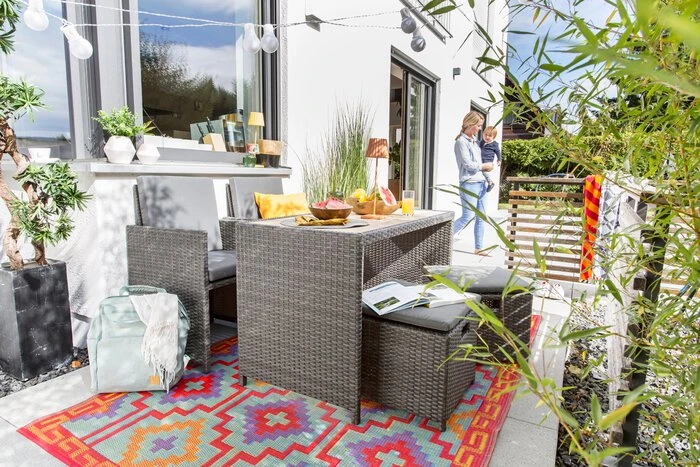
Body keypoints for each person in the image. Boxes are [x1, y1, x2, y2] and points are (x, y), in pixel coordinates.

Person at [453, 111, 493, 254]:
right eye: (479, 125)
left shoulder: (475, 142)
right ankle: (441, 239)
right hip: (469, 184)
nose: (480, 129)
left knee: (481, 217)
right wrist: (484, 166)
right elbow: (468, 165)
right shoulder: (461, 142)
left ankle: (479, 248)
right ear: (470, 124)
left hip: (482, 183)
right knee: (467, 216)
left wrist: (488, 178)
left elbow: (479, 163)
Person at [480, 126, 502, 192]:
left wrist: (499, 159)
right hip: (481, 160)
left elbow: (498, 152)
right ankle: (487, 182)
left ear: (493, 137)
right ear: (483, 134)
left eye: (490, 136)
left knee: (483, 171)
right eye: (485, 135)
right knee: (481, 171)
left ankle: (490, 182)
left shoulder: (494, 144)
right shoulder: (482, 142)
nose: (487, 137)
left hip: (488, 161)